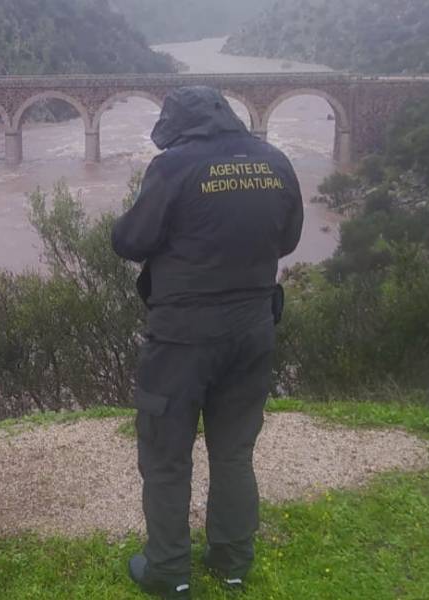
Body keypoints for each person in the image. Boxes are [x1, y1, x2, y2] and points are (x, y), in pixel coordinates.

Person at [112, 87, 304, 599]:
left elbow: (130, 241)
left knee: (166, 456)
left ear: (180, 125)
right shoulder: (275, 161)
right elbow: (288, 239)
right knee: (234, 452)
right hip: (252, 331)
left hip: (182, 340)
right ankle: (233, 562)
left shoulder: (174, 168)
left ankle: (168, 571)